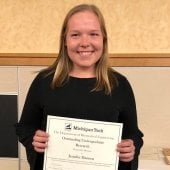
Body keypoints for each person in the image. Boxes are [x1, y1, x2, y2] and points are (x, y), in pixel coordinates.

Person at [15, 3, 143, 170]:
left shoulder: (119, 85)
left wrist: (131, 147)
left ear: (103, 39)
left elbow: (133, 134)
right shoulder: (44, 81)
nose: (85, 43)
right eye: (75, 35)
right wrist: (34, 138)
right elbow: (24, 127)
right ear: (65, 41)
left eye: (93, 34)